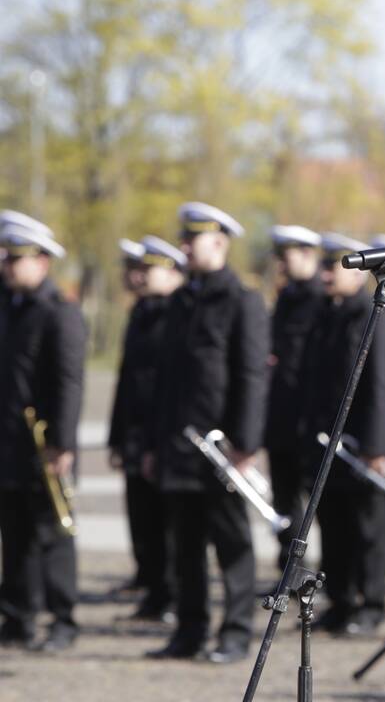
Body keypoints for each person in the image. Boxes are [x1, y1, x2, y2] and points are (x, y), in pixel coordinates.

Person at [147, 202, 269, 663]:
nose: (183, 246)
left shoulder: (242, 300)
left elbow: (252, 376)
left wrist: (246, 444)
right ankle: (189, 631)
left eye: (191, 238)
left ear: (218, 242)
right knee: (185, 547)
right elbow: (167, 381)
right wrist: (156, 443)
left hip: (224, 450)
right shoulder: (180, 300)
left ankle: (235, 633)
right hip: (181, 445)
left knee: (232, 544)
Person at [298, 232, 385, 635]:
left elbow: (382, 388)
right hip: (327, 443)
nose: (326, 274)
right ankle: (340, 601)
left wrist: (377, 448)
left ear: (360, 274)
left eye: (334, 266)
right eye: (323, 266)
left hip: (362, 444)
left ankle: (371, 604)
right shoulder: (325, 315)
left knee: (369, 528)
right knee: (335, 526)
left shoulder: (375, 315)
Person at [0, 219, 86, 652]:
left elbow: (69, 381)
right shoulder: (7, 305)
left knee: (53, 534)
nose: (7, 265)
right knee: (14, 534)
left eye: (16, 258)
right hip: (9, 442)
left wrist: (63, 444)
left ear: (43, 261)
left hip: (46, 443)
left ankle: (63, 620)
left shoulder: (59, 310)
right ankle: (17, 617)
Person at [108, 236, 187, 622]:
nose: (138, 277)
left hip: (163, 434)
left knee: (168, 523)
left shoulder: (177, 313)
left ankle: (170, 593)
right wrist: (117, 436)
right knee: (144, 519)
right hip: (138, 432)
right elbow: (128, 382)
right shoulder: (143, 313)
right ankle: (155, 591)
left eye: (147, 269)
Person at [264, 224, 323, 571]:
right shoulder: (287, 297)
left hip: (310, 416)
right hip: (283, 416)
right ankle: (290, 568)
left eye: (286, 258)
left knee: (317, 501)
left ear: (306, 254)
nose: (282, 266)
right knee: (285, 500)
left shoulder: (320, 299)